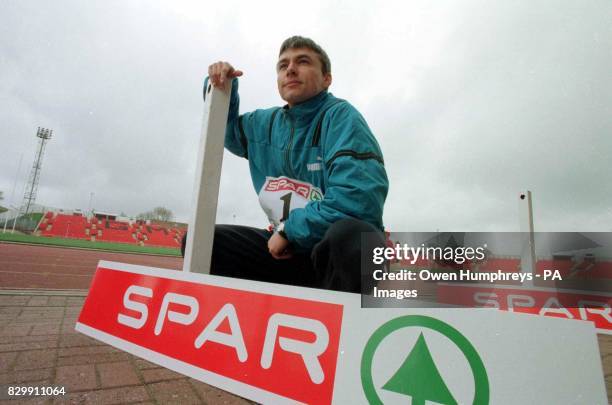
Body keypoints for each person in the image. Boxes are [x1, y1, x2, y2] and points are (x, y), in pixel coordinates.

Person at [185, 36, 388, 293]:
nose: (290, 69)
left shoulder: (342, 118)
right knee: (201, 243)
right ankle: (249, 324)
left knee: (353, 237)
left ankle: (347, 325)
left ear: (327, 79)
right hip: (286, 254)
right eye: (283, 65)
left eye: (303, 61)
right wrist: (221, 86)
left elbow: (359, 200)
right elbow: (225, 132)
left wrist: (288, 231)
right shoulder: (264, 123)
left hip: (329, 257)